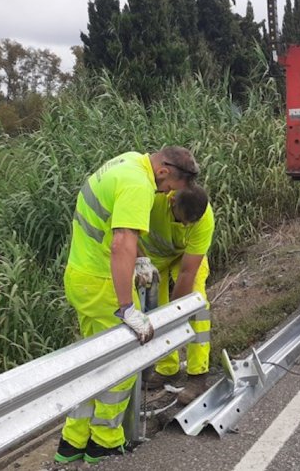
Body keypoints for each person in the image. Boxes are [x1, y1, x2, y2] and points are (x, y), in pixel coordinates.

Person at [54, 146, 200, 464]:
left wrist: (142, 256)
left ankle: (73, 441)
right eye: (169, 187)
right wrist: (126, 308)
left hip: (80, 273)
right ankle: (105, 442)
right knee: (123, 363)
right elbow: (121, 241)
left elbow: (117, 226)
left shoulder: (129, 161)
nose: (166, 194)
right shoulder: (139, 185)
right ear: (163, 171)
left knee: (94, 361)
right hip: (102, 282)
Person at [140, 184, 215, 406]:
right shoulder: (154, 200)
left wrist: (177, 314)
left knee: (196, 307)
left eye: (191, 222)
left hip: (186, 257)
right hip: (151, 259)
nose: (186, 225)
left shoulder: (204, 219)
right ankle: (167, 367)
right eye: (183, 219)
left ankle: (197, 374)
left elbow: (187, 272)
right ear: (172, 202)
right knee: (154, 312)